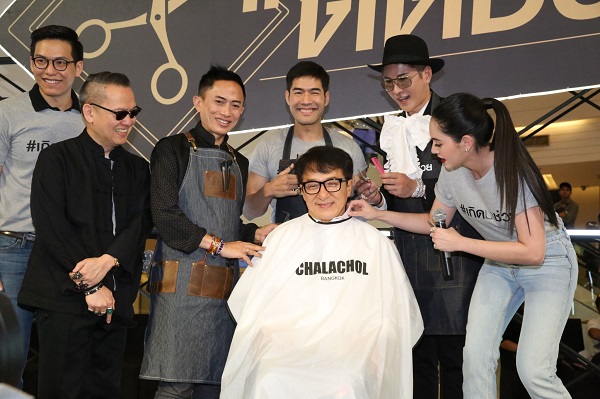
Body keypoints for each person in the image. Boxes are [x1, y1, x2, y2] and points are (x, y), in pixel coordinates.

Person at [349, 93, 578, 399]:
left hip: (547, 264)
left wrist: (461, 243)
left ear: (466, 142)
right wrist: (378, 213)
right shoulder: (452, 173)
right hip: (498, 266)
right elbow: (434, 221)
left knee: (533, 370)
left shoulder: (513, 172)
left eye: (439, 143)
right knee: (474, 361)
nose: (433, 150)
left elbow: (533, 252)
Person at [221, 146, 423, 399]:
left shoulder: (375, 243)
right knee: (268, 379)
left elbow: (399, 318)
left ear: (349, 186)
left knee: (346, 385)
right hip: (286, 351)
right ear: (302, 191)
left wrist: (373, 350)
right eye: (313, 186)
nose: (323, 194)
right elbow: (250, 311)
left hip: (353, 354)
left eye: (333, 184)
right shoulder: (281, 238)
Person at [139, 66, 276, 398]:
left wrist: (254, 233)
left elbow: (223, 222)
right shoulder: (171, 150)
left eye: (235, 105)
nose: (226, 112)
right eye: (219, 101)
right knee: (176, 383)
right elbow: (166, 217)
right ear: (198, 102)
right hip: (180, 289)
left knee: (216, 384)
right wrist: (220, 246)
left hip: (223, 295)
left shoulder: (239, 161)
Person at [17, 71, 152, 398]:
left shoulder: (136, 168)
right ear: (90, 112)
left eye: (133, 113)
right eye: (119, 113)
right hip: (65, 298)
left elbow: (139, 225)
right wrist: (89, 284)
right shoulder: (56, 159)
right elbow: (51, 229)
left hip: (114, 304)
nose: (128, 121)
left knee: (106, 389)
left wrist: (107, 263)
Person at [362, 34, 483, 399]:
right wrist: (378, 196)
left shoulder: (456, 117)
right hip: (407, 252)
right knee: (416, 356)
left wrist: (417, 187)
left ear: (427, 74)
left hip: (454, 252)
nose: (397, 90)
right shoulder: (390, 126)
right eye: (389, 82)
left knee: (459, 356)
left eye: (404, 79)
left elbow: (472, 182)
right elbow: (395, 198)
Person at [0, 24, 84, 386]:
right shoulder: (9, 112)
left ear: (79, 68)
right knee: (8, 361)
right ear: (31, 63)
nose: (50, 70)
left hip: (69, 255)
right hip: (13, 247)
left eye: (61, 62)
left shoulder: (92, 118)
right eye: (41, 60)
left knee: (64, 364)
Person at [243, 61, 370, 223]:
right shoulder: (268, 146)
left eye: (314, 92)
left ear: (326, 98)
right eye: (298, 92)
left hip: (337, 244)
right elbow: (249, 212)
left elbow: (362, 209)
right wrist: (268, 190)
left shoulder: (349, 147)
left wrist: (370, 195)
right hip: (289, 244)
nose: (306, 100)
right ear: (287, 97)